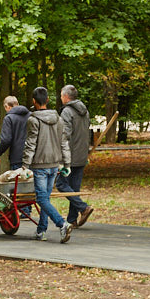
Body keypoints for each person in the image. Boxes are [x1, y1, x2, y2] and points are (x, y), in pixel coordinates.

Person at [22, 86, 73, 243]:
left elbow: (30, 144)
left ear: (34, 101)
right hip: (54, 164)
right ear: (48, 100)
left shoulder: (33, 120)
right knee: (46, 198)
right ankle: (41, 231)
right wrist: (67, 164)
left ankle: (62, 224)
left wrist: (25, 166)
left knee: (41, 199)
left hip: (39, 165)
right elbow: (64, 143)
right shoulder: (58, 119)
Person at [58, 84, 94, 227]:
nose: (61, 98)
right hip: (81, 154)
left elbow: (64, 135)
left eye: (61, 95)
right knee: (74, 188)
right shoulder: (85, 111)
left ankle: (83, 208)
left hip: (70, 156)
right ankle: (72, 219)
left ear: (66, 97)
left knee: (61, 184)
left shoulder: (67, 112)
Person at [0, 95, 30, 171]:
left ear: (7, 106)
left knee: (18, 178)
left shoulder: (9, 118)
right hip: (31, 157)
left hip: (17, 159)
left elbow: (6, 140)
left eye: (5, 108)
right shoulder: (30, 115)